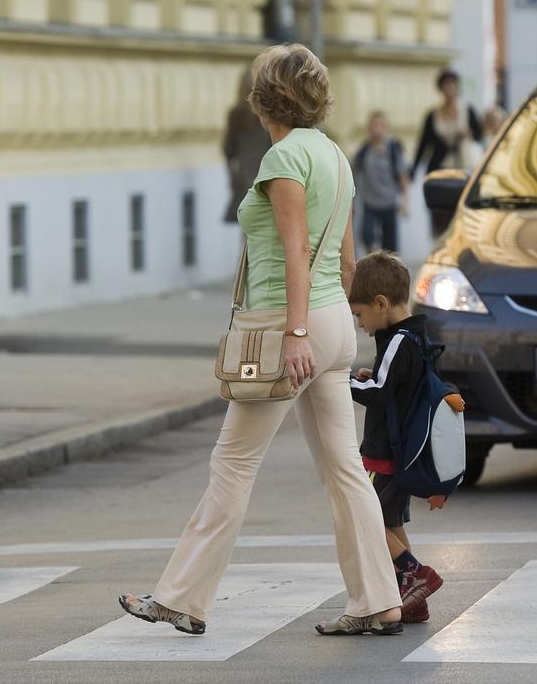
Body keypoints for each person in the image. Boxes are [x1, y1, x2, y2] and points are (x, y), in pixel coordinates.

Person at [118, 43, 403, 637]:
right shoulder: (333, 155)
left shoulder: (282, 160)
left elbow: (295, 250)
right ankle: (379, 600)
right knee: (345, 470)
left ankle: (181, 598)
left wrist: (297, 332)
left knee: (233, 462)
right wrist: (344, 325)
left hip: (285, 326)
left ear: (262, 98)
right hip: (330, 321)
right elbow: (346, 256)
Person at [347, 251, 449, 624]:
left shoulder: (397, 340)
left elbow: (378, 391)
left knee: (367, 519)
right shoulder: (416, 335)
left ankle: (415, 574)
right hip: (402, 449)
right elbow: (390, 383)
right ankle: (412, 600)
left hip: (384, 451)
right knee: (389, 522)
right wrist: (367, 376)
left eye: (359, 314)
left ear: (381, 303)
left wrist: (340, 383)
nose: (359, 323)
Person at [352, 111, 410, 253]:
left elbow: (403, 175)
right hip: (369, 202)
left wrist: (405, 200)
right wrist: (351, 201)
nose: (376, 129)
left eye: (380, 125)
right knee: (366, 235)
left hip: (389, 201)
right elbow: (354, 175)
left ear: (386, 127)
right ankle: (372, 263)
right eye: (373, 126)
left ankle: (389, 270)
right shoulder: (364, 150)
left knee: (390, 244)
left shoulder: (393, 148)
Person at [222, 68, 273, 224]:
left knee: (249, 228)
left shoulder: (236, 115)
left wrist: (232, 179)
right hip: (268, 173)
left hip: (246, 176)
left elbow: (229, 150)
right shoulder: (270, 113)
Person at [413, 69, 483, 175]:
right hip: (440, 165)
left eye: (452, 83)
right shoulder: (433, 114)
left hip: (465, 164)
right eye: (446, 84)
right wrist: (414, 169)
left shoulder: (468, 109)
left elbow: (479, 134)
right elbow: (424, 143)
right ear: (441, 88)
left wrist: (469, 134)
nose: (450, 87)